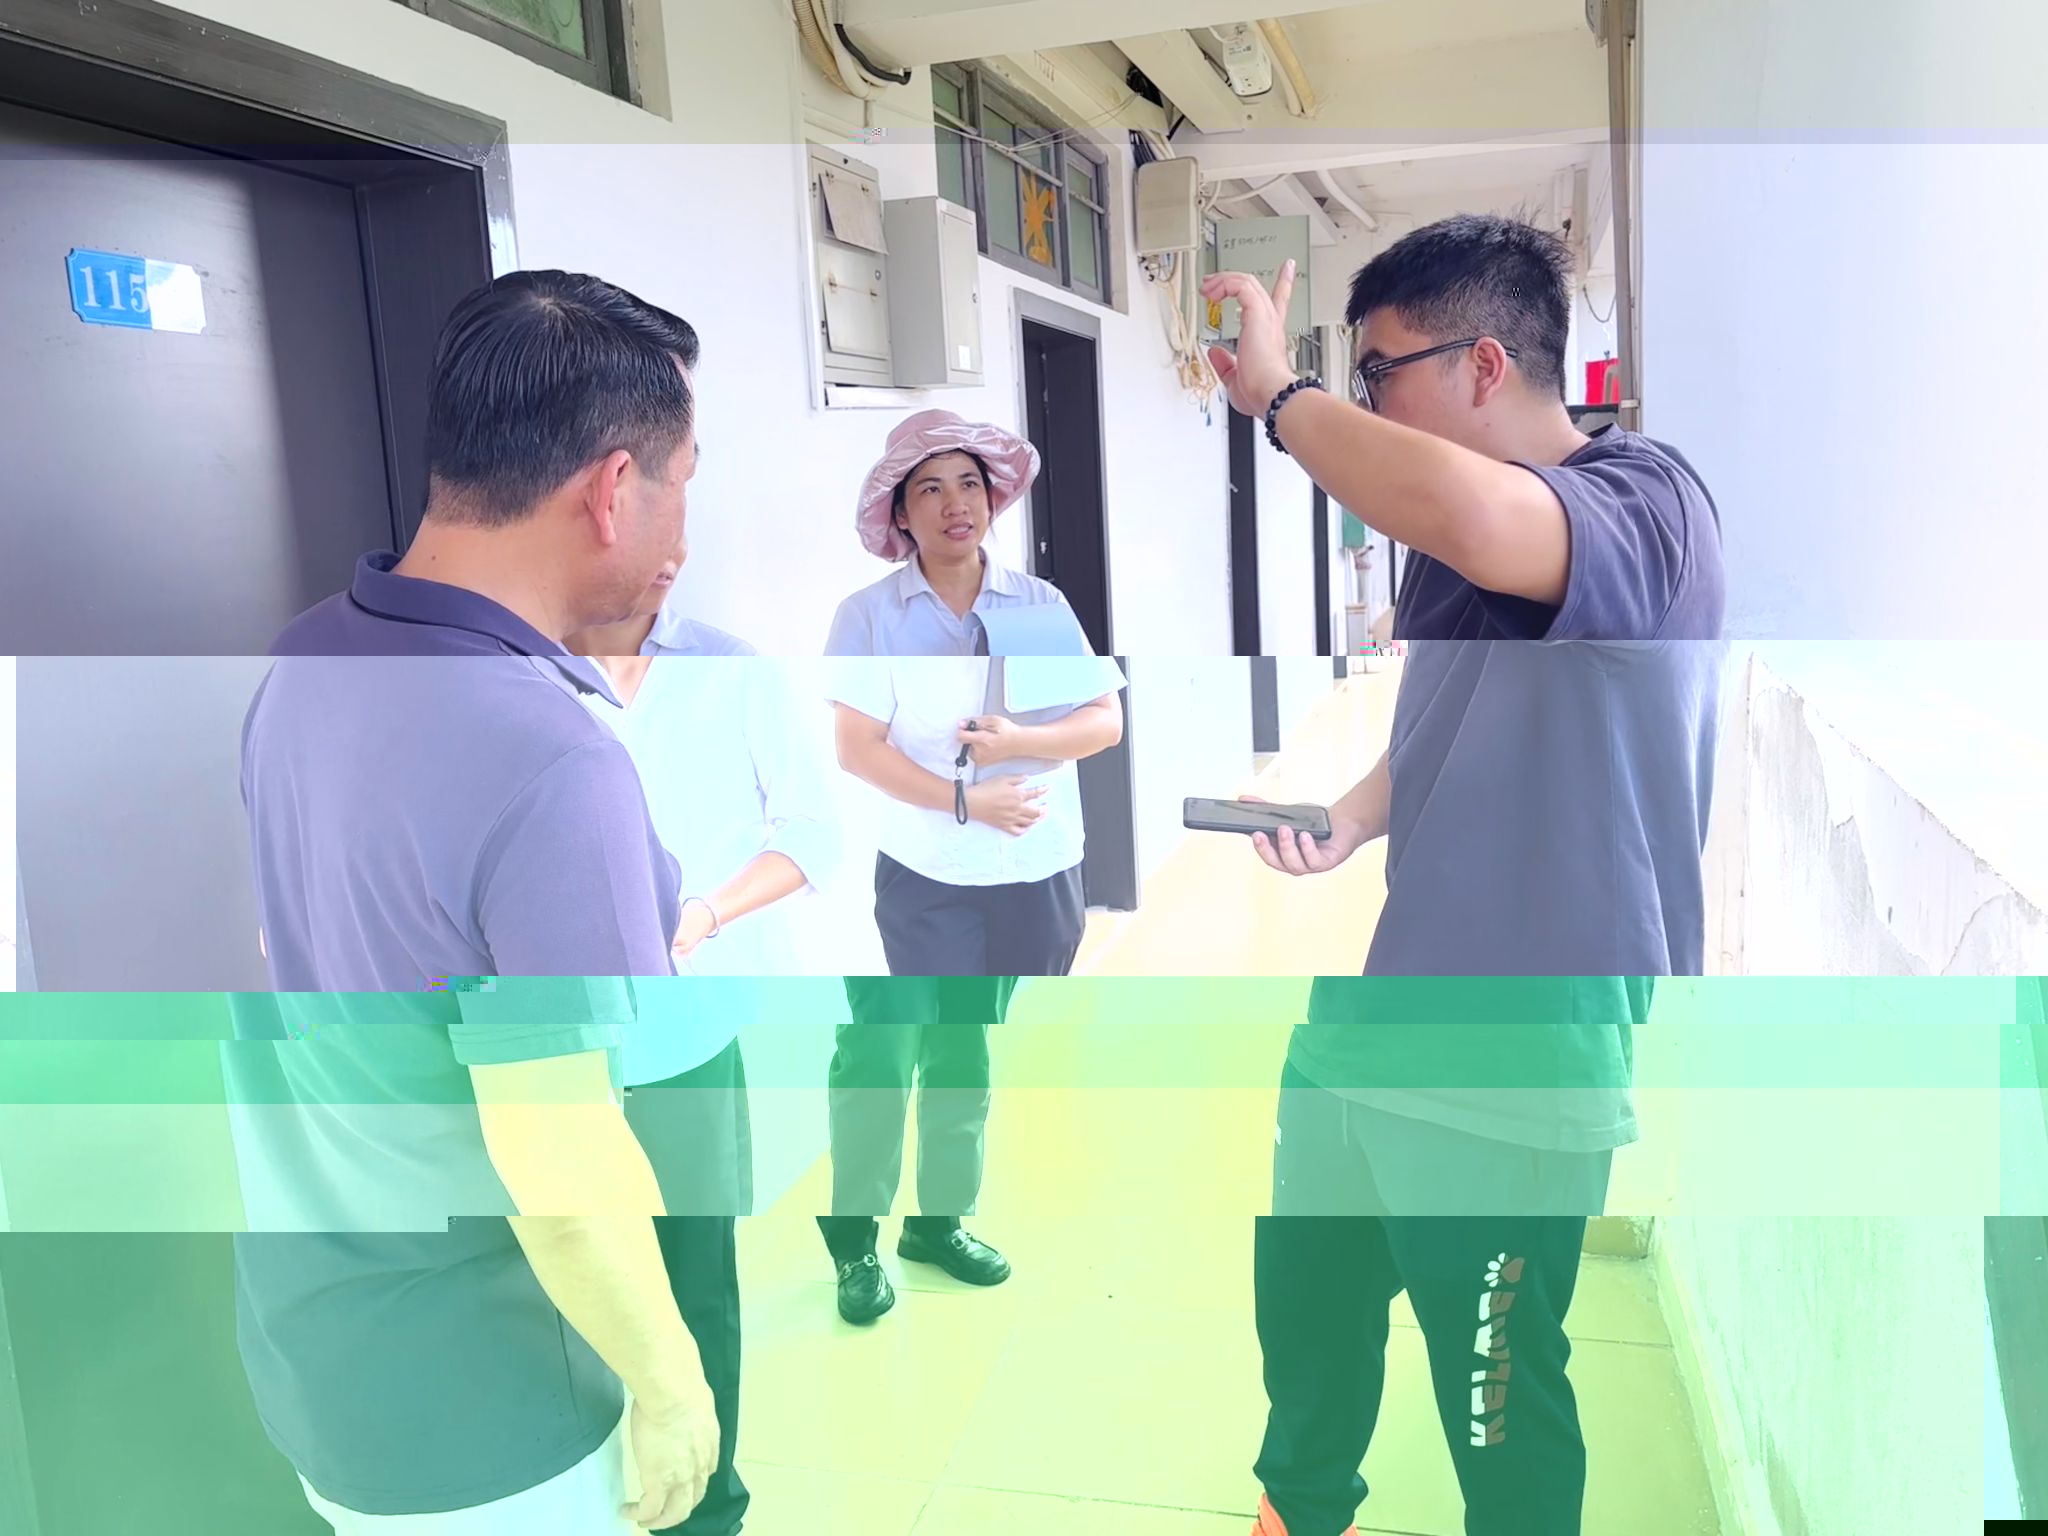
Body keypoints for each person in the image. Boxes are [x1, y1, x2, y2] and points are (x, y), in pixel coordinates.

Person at [1205, 217, 1729, 1536]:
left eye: (1380, 375)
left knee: (1496, 1395)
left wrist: (1281, 397)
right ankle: (1300, 1510)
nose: (1368, 405)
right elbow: (1448, 722)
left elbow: (1471, 507)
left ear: (1484, 365)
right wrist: (1349, 819)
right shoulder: (1453, 546)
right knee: (1308, 1318)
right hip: (1383, 1018)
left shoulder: (1647, 509)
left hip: (1522, 1058)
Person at [232, 269, 727, 1534]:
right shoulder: (548, 760)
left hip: (318, 1355)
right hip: (496, 1403)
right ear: (612, 490)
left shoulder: (306, 657)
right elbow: (560, 1155)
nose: (683, 526)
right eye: (683, 479)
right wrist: (673, 1387)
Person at [565, 564, 844, 1532]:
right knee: (568, 1285)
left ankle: (708, 1510)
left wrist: (706, 914)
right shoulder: (519, 673)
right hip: (550, 1044)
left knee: (695, 1286)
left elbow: (815, 835)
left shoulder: (733, 672)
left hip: (684, 1035)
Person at [823, 408, 1086, 656]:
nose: (957, 506)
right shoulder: (866, 615)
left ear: (989, 499)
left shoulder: (1040, 601)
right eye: (932, 489)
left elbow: (1090, 692)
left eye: (969, 484)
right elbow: (847, 694)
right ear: (901, 514)